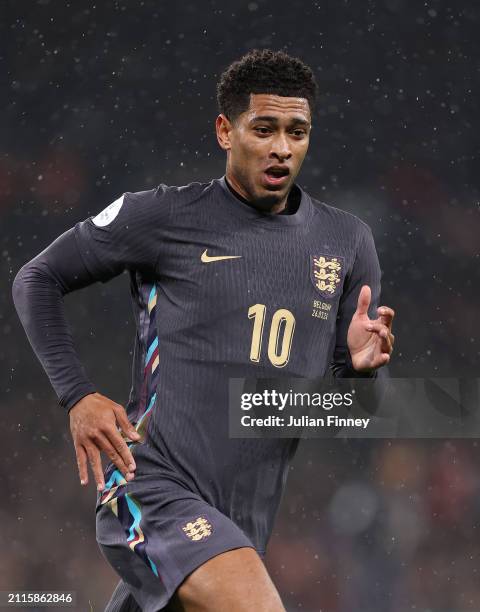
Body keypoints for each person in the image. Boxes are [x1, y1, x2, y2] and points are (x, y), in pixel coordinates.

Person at [12, 49, 395, 611]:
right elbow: (36, 278)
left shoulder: (347, 243)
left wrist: (361, 376)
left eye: (297, 132)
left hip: (238, 525)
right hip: (152, 489)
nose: (281, 148)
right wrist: (78, 396)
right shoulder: (165, 217)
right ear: (225, 130)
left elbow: (338, 418)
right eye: (263, 129)